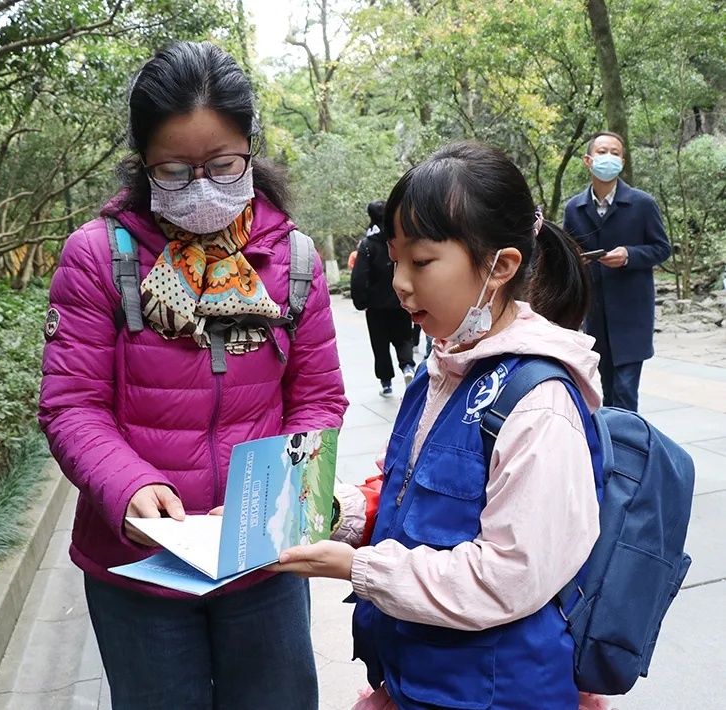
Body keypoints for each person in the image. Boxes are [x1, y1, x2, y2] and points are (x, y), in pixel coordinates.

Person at [38, 41, 347, 710]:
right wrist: (128, 485)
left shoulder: (290, 258)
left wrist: (292, 498)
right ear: (143, 161)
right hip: (137, 569)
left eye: (222, 164)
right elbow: (71, 404)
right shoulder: (99, 257)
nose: (201, 187)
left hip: (261, 560)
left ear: (250, 148)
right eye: (175, 170)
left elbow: (317, 396)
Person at [274, 141, 612, 710]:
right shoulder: (443, 370)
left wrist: (359, 568)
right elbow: (408, 494)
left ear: (500, 267)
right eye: (394, 257)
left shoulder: (539, 406)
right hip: (425, 679)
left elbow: (508, 576)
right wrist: (320, 512)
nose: (400, 282)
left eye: (422, 262)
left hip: (496, 691)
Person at [564, 131, 671, 411]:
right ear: (588, 160)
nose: (608, 157)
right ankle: (614, 446)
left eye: (615, 152)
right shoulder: (574, 208)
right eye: (602, 152)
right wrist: (576, 259)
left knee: (625, 392)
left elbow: (662, 248)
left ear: (622, 161)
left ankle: (628, 450)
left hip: (632, 314)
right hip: (595, 314)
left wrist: (629, 255)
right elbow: (566, 256)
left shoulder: (642, 204)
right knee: (608, 391)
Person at [351, 200, 415, 396]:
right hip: (401, 302)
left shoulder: (368, 246)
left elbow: (360, 276)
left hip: (376, 307)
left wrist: (361, 301)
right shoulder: (401, 242)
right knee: (404, 338)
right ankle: (407, 367)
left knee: (380, 345)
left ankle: (386, 383)